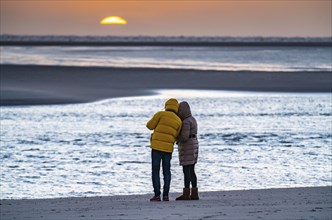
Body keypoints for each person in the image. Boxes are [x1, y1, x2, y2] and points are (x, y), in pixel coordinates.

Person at [146, 98, 182, 202]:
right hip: (168, 149)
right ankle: (166, 195)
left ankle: (157, 195)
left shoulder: (160, 114)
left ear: (166, 106)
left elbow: (149, 126)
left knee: (155, 171)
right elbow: (176, 135)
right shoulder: (178, 120)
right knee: (167, 171)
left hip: (156, 146)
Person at [176, 101, 199, 200]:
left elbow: (184, 137)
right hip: (194, 143)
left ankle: (186, 193)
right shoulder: (193, 119)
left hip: (187, 145)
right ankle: (194, 193)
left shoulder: (185, 122)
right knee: (192, 170)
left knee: (186, 170)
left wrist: (177, 138)